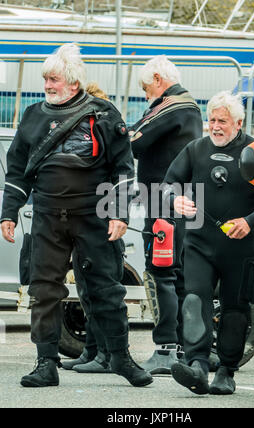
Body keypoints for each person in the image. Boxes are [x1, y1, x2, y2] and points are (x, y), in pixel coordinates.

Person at [0, 43, 153, 388]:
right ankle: (45, 364)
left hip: (93, 216)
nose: (47, 86)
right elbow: (17, 172)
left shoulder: (103, 114)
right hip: (47, 217)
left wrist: (119, 214)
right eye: (46, 80)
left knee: (107, 290)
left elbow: (124, 170)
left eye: (53, 79)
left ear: (71, 82)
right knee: (43, 290)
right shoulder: (32, 116)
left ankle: (121, 359)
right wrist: (8, 213)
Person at [163, 91, 254, 395]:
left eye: (222, 121)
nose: (215, 126)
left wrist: (251, 220)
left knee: (235, 308)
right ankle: (198, 367)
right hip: (199, 242)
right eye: (212, 119)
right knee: (194, 300)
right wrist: (175, 200)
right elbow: (166, 185)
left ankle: (227, 371)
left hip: (240, 247)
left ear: (239, 122)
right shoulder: (196, 150)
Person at [129, 55, 203, 374]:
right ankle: (189, 348)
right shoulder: (190, 106)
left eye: (146, 89)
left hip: (163, 201)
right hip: (183, 200)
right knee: (182, 274)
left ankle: (165, 349)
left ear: (158, 80)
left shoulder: (171, 106)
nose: (147, 96)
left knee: (161, 271)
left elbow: (134, 139)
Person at [61, 82, 112, 374]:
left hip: (101, 220)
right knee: (85, 289)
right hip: (84, 219)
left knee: (101, 290)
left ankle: (105, 354)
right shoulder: (85, 137)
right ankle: (92, 351)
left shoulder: (106, 137)